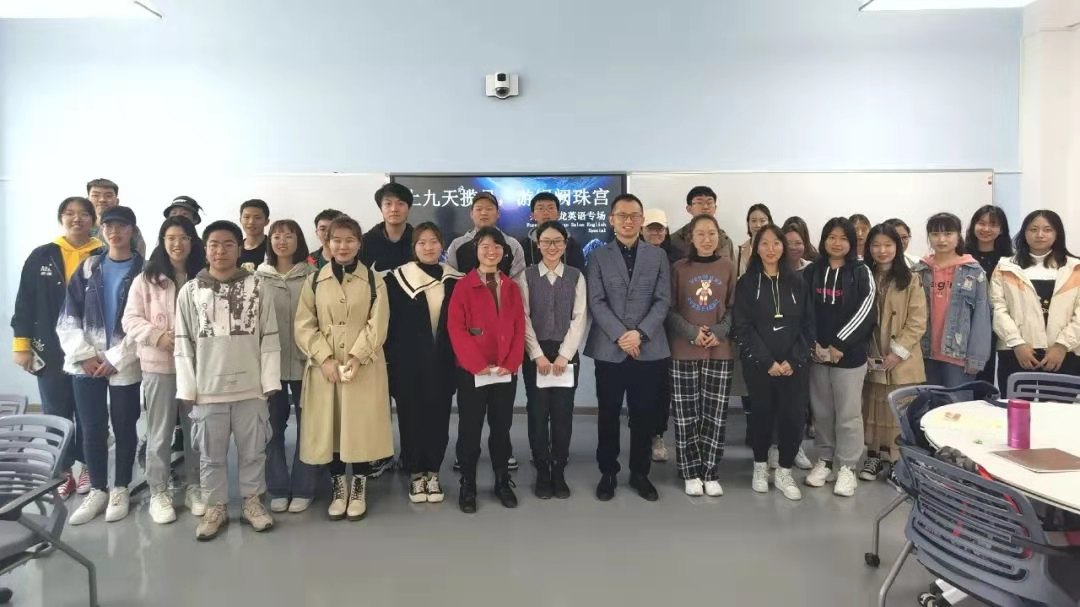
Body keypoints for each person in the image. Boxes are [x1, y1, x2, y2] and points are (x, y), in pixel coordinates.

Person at [175, 220, 281, 541]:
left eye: (228, 244)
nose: (220, 251)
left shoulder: (257, 286)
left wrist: (268, 383)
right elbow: (183, 342)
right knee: (211, 456)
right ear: (205, 249)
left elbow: (269, 336)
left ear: (239, 248)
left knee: (254, 452)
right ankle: (216, 507)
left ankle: (252, 503)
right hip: (208, 391)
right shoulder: (190, 291)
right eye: (214, 244)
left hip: (251, 388)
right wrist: (188, 388)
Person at [295, 216, 393, 522]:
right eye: (336, 240)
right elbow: (304, 325)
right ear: (327, 243)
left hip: (363, 366)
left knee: (359, 427)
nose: (343, 246)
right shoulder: (314, 280)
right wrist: (324, 358)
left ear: (359, 244)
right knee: (331, 427)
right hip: (324, 368)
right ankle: (339, 487)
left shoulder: (375, 280)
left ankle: (359, 487)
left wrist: (357, 356)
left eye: (350, 240)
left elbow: (378, 323)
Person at [57, 206, 144, 525]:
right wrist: (84, 354)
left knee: (125, 425)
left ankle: (120, 487)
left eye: (121, 226)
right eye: (108, 226)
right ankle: (97, 489)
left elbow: (145, 322)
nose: (114, 232)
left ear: (132, 230)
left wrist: (114, 357)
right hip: (86, 362)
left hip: (125, 362)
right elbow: (69, 314)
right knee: (91, 428)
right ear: (101, 231)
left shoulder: (145, 270)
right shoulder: (89, 266)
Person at [11, 196, 102, 499]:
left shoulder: (102, 255)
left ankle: (89, 466)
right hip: (48, 348)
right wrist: (21, 345)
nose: (77, 219)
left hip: (90, 350)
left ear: (93, 220)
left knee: (90, 414)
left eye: (84, 214)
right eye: (69, 213)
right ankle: (63, 472)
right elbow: (24, 302)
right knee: (56, 412)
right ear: (61, 218)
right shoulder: (42, 255)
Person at [585, 194, 671, 502]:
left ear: (642, 220)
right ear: (612, 220)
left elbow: (663, 300)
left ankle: (640, 473)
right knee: (608, 413)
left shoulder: (658, 256)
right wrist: (622, 335)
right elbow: (596, 301)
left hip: (649, 348)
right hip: (610, 348)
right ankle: (608, 472)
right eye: (622, 215)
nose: (628, 220)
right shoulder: (598, 255)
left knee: (643, 414)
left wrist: (640, 334)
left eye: (634, 215)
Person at [121, 216, 206, 524]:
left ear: (192, 241)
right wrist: (158, 336)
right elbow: (130, 320)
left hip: (198, 367)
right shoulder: (147, 278)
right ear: (162, 241)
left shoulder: (204, 275)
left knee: (197, 430)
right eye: (171, 238)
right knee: (160, 432)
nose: (177, 243)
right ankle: (159, 490)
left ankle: (196, 485)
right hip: (160, 366)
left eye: (183, 237)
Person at [733, 224, 815, 501]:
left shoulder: (798, 283)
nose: (771, 249)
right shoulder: (746, 283)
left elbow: (808, 326)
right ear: (756, 248)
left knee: (793, 417)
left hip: (794, 366)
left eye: (776, 243)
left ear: (783, 247)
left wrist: (794, 359)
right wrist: (767, 361)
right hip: (760, 365)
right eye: (764, 243)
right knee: (761, 415)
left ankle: (784, 471)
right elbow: (742, 327)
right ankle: (760, 466)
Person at [447, 227, 526, 513]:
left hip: (504, 371)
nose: (491, 251)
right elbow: (456, 329)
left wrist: (511, 363)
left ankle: (502, 481)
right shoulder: (463, 286)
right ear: (476, 251)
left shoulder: (512, 287)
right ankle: (468, 483)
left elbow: (519, 328)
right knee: (470, 429)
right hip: (473, 372)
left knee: (501, 428)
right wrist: (477, 364)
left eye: (497, 247)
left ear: (504, 252)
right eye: (485, 246)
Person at [384, 222, 463, 504]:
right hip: (408, 365)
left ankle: (433, 472)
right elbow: (389, 328)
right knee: (411, 419)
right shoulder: (395, 280)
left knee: (439, 420)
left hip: (443, 364)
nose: (428, 247)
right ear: (413, 247)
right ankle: (416, 473)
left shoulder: (455, 280)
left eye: (434, 241)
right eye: (422, 242)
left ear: (442, 245)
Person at [802, 217, 875, 497]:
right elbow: (803, 309)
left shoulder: (861, 271)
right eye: (831, 237)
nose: (837, 243)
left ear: (852, 243)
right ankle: (825, 460)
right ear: (823, 240)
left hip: (849, 356)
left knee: (848, 414)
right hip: (817, 354)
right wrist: (814, 344)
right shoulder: (812, 271)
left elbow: (866, 310)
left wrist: (839, 344)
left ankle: (847, 467)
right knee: (822, 412)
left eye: (843, 238)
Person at [665, 215, 735, 497]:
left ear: (719, 236)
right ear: (691, 238)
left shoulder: (729, 267)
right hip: (683, 350)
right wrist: (693, 333)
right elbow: (669, 310)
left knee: (715, 416)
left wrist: (718, 331)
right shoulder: (678, 268)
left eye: (712, 233)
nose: (707, 239)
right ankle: (690, 471)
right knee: (686, 415)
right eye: (701, 234)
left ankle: (710, 471)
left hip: (719, 351)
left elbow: (734, 308)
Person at [518, 221, 587, 500]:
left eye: (557, 241)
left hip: (565, 355)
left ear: (565, 244)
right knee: (537, 414)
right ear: (538, 244)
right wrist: (537, 355)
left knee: (562, 414)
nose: (552, 246)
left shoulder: (575, 276)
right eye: (546, 241)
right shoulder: (526, 276)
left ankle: (558, 470)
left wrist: (564, 355)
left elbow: (579, 317)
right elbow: (523, 318)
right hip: (535, 355)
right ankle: (542, 471)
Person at [255, 220, 319, 515]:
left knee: (309, 428)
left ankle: (305, 488)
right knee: (272, 428)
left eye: (288, 236)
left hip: (308, 363)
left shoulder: (313, 276)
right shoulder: (257, 278)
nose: (282, 241)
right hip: (271, 365)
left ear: (299, 240)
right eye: (276, 236)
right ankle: (278, 488)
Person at [859, 224, 927, 482]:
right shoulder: (863, 275)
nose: (882, 250)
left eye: (888, 245)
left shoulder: (911, 279)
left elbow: (918, 321)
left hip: (903, 361)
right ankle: (875, 456)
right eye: (876, 245)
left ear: (897, 247)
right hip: (872, 356)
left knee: (899, 412)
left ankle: (899, 463)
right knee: (874, 410)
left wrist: (897, 353)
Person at [990, 209, 1080, 388]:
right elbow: (997, 308)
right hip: (1016, 352)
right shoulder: (1005, 267)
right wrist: (1017, 343)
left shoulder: (1075, 268)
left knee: (1058, 404)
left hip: (1065, 352)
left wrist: (1062, 345)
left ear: (1057, 233)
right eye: (1033, 229)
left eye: (1047, 229)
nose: (1040, 235)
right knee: (1017, 404)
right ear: (1024, 233)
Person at [912, 213, 991, 390]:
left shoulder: (972, 271)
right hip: (923, 353)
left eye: (948, 234)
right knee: (926, 403)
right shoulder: (919, 270)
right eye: (935, 234)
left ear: (958, 236)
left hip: (958, 356)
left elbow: (982, 316)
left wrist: (976, 357)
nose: (941, 239)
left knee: (958, 404)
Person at [640, 207, 677, 462]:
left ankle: (658, 435)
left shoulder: (676, 258)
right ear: (642, 230)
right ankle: (641, 434)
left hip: (667, 331)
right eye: (651, 228)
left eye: (660, 229)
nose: (655, 233)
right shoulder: (631, 256)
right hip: (637, 332)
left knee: (661, 388)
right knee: (640, 388)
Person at [966, 205, 1013, 387]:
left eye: (993, 225)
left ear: (1001, 229)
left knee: (987, 377)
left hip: (998, 325)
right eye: (981, 223)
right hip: (967, 325)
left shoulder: (1010, 261)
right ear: (973, 225)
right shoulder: (961, 255)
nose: (986, 229)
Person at [446, 192, 527, 279]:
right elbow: (450, 278)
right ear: (471, 214)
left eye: (489, 209)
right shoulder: (457, 244)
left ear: (498, 213)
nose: (484, 213)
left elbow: (518, 280)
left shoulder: (512, 244)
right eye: (479, 209)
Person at [518, 192, 586, 270]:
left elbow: (579, 274)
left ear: (558, 214)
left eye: (550, 208)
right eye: (540, 208)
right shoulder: (523, 246)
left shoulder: (572, 245)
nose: (546, 212)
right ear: (532, 215)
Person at [669, 186, 734, 261]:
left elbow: (731, 267)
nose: (705, 207)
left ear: (715, 208)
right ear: (689, 209)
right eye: (699, 203)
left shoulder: (725, 240)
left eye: (709, 203)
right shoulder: (675, 240)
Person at [361, 183, 416, 272]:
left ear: (409, 208)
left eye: (400, 203)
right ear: (381, 208)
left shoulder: (419, 240)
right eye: (388, 204)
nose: (394, 209)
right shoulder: (365, 242)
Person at [86, 178, 146, 257]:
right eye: (96, 195)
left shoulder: (128, 227)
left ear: (117, 201)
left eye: (108, 196)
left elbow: (139, 255)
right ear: (87, 201)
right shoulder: (80, 226)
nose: (102, 200)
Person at [736, 203, 773, 277]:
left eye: (762, 221)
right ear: (748, 223)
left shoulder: (776, 250)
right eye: (753, 221)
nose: (758, 225)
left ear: (769, 222)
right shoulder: (738, 252)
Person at [238, 199, 270, 270]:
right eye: (246, 217)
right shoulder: (235, 249)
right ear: (240, 220)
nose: (251, 222)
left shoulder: (274, 248)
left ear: (266, 221)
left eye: (257, 218)